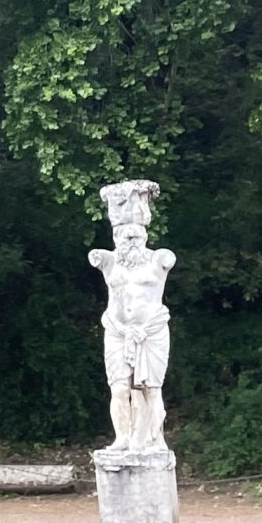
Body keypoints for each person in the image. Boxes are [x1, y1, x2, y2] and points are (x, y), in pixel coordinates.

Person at [90, 181, 176, 454]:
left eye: (136, 236)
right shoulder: (108, 261)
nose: (130, 241)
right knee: (118, 388)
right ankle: (123, 438)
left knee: (151, 389)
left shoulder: (159, 259)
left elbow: (167, 260)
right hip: (118, 331)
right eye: (124, 237)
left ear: (145, 235)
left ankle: (155, 439)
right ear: (116, 238)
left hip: (151, 332)